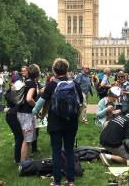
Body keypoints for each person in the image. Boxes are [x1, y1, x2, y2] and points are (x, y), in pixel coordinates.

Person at [33, 58, 83, 186]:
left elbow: (40, 102)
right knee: (70, 150)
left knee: (56, 151)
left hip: (55, 122)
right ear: (67, 70)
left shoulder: (51, 84)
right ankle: (71, 180)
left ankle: (57, 181)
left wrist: (34, 112)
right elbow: (81, 101)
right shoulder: (75, 83)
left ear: (54, 70)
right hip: (71, 122)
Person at [17, 64, 41, 162]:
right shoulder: (32, 84)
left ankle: (25, 158)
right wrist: (36, 106)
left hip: (21, 112)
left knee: (27, 138)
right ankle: (23, 163)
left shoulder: (27, 82)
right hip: (26, 114)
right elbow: (29, 98)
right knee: (27, 140)